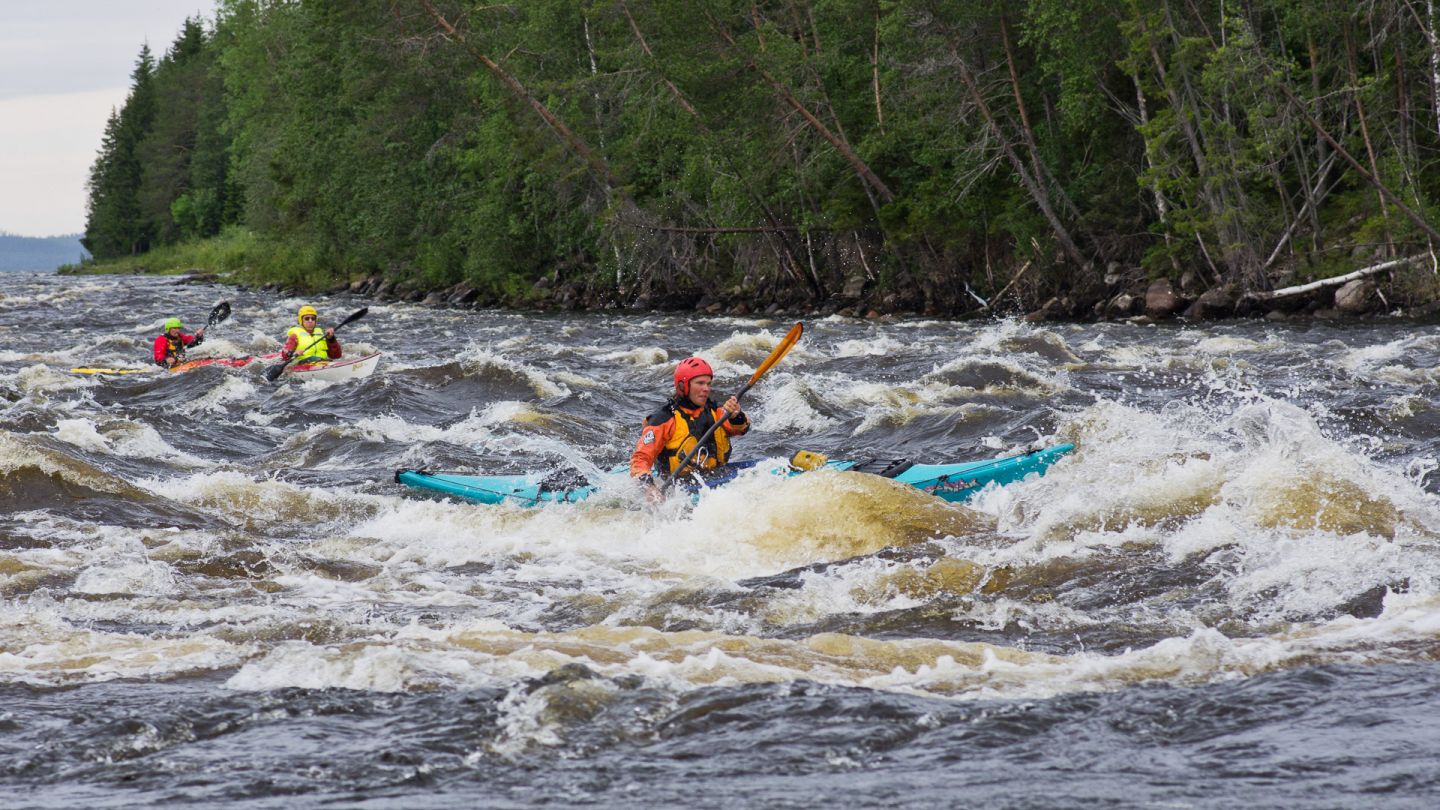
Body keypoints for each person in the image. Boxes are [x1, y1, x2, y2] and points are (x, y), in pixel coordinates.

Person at [630, 356, 750, 496]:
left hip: (719, 476)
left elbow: (741, 429)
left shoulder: (716, 410)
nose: (706, 389)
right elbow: (641, 459)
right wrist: (649, 487)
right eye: (700, 383)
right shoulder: (663, 419)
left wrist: (736, 415)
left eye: (708, 383)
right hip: (681, 488)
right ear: (682, 386)